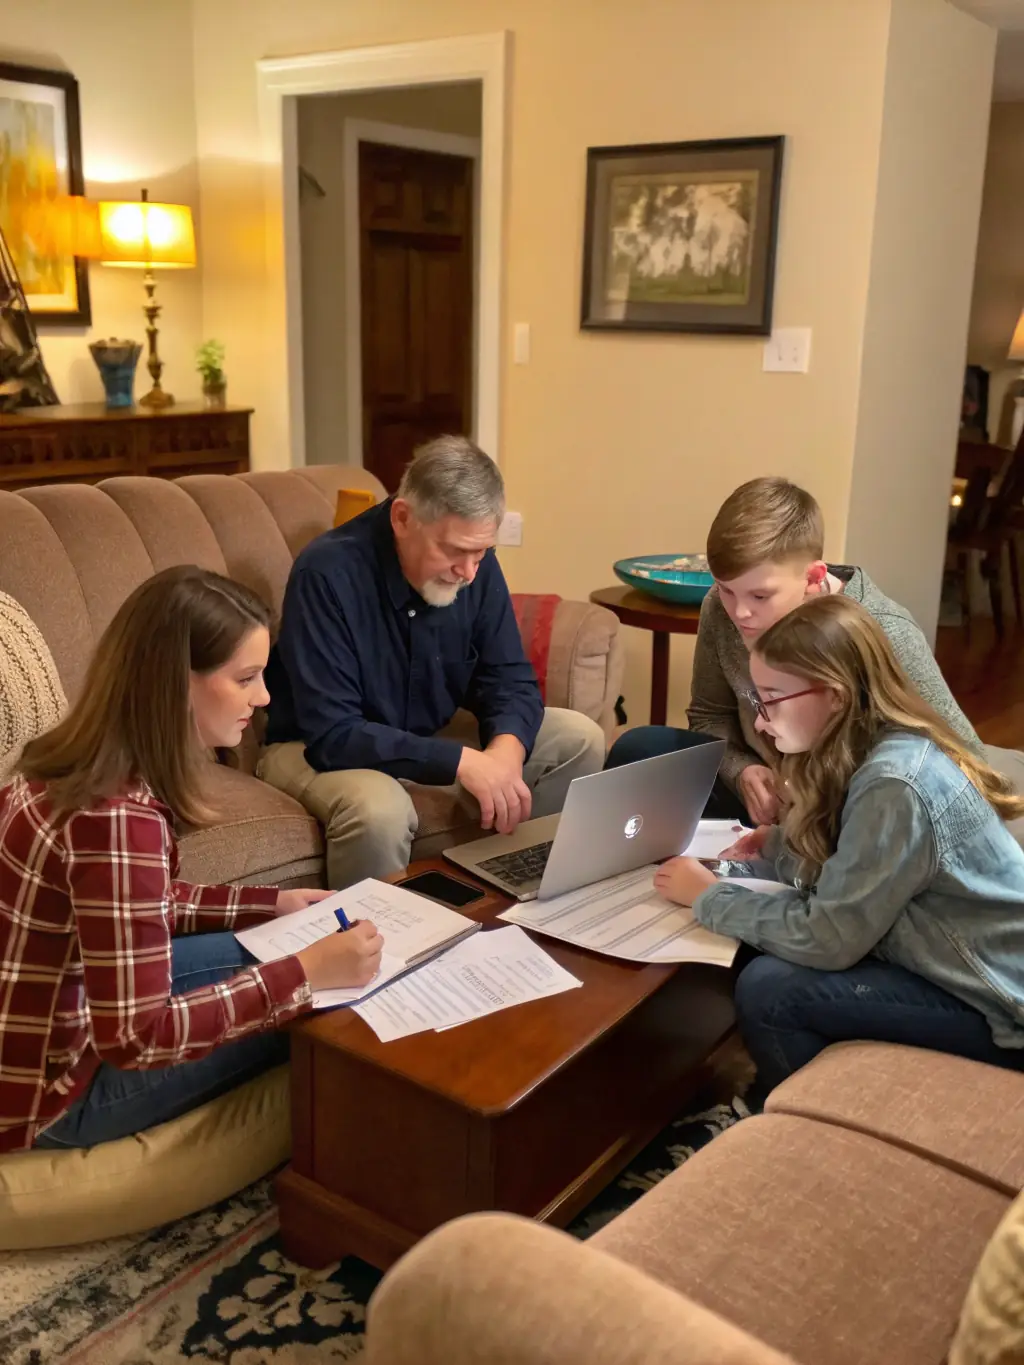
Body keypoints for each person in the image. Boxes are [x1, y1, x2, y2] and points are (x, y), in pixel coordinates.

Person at [0, 566, 384, 1154]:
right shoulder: (115, 819)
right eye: (247, 677)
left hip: (53, 1022)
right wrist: (307, 974)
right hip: (52, 1095)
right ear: (177, 684)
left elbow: (138, 903)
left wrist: (271, 904)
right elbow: (137, 1038)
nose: (264, 697)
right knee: (323, 1009)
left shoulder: (66, 763)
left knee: (267, 949)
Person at [652, 594, 1024, 1096]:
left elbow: (830, 940)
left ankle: (796, 1124)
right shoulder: (874, 750)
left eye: (771, 698)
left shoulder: (896, 783)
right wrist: (779, 848)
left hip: (1001, 1004)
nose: (759, 721)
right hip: (956, 963)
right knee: (770, 948)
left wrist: (707, 897)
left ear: (836, 696)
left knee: (770, 991)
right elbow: (857, 865)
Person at [261, 436, 606, 888]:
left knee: (579, 739)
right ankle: (374, 949)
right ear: (403, 517)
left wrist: (504, 753)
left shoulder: (474, 567)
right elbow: (333, 733)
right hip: (311, 745)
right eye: (454, 550)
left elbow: (509, 679)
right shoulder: (326, 573)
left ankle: (524, 902)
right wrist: (462, 762)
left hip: (422, 730)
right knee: (380, 809)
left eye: (480, 553)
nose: (467, 572)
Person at [606, 477, 979, 825]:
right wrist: (741, 771)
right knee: (639, 750)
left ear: (814, 578)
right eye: (725, 589)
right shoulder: (719, 608)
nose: (739, 612)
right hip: (765, 798)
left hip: (847, 807)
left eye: (760, 596)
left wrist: (829, 796)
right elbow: (708, 715)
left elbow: (963, 758)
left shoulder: (882, 629)